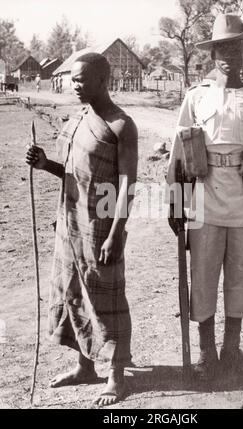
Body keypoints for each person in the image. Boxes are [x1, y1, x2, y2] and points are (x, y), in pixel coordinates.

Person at [166, 14, 243, 380]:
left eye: (235, 47)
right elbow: (179, 154)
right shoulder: (195, 96)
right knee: (202, 279)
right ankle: (205, 355)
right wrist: (175, 202)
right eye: (221, 48)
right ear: (212, 54)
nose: (228, 55)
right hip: (203, 199)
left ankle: (231, 352)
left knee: (240, 278)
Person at [26, 53, 138, 406]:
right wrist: (46, 165)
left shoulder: (121, 125)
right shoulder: (79, 118)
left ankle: (117, 375)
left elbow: (128, 186)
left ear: (103, 80)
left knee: (108, 300)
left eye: (81, 79)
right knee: (74, 294)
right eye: (72, 79)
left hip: (101, 226)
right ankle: (84, 366)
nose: (75, 85)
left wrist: (116, 232)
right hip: (70, 223)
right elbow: (76, 173)